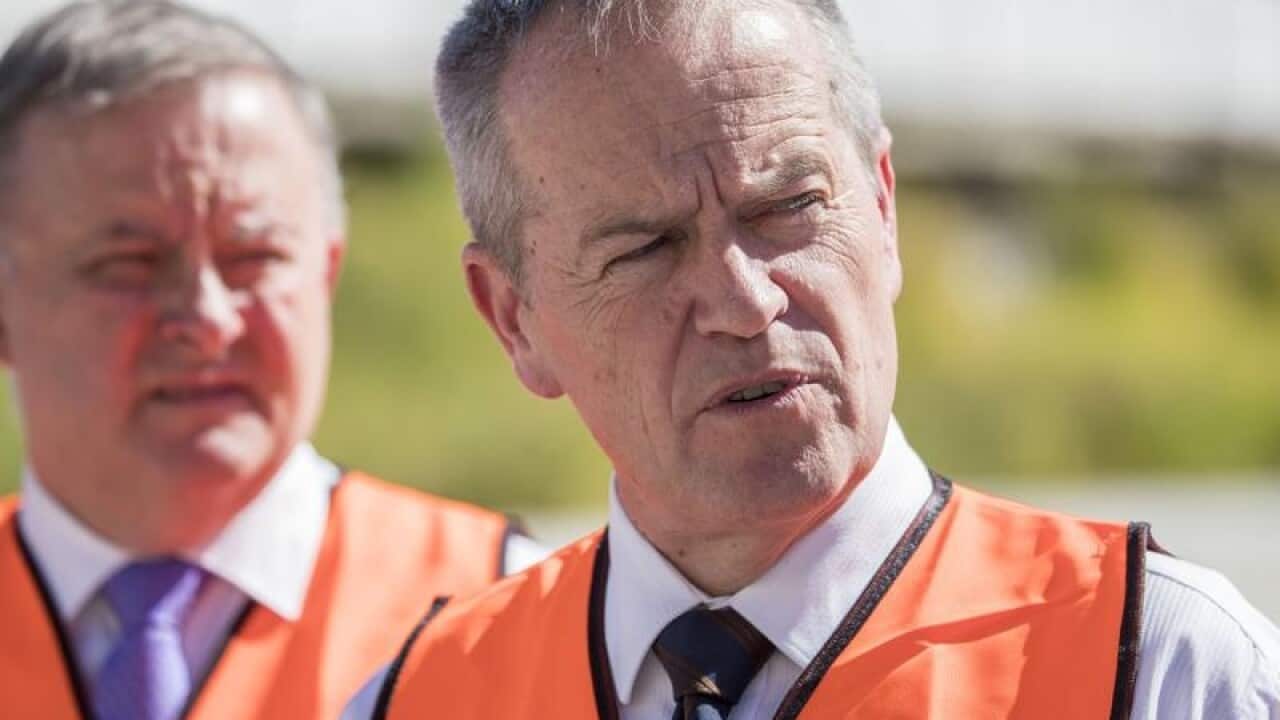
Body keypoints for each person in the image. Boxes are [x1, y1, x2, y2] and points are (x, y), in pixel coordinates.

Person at [363, 0, 1280, 718]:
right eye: (643, 250)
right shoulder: (414, 700)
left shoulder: (1163, 670)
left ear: (883, 209)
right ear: (513, 319)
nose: (745, 299)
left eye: (789, 206)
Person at [0, 2, 542, 719]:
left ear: (325, 272)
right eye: (127, 264)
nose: (206, 320)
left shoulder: (507, 613)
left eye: (252, 257)